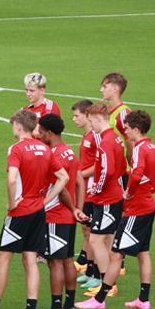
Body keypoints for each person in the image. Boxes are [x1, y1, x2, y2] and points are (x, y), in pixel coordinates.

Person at [0, 109, 68, 309]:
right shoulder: (45, 148)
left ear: (19, 127)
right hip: (38, 211)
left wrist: (12, 203)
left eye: (13, 125)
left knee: (2, 257)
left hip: (20, 212)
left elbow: (12, 180)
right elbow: (63, 177)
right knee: (30, 259)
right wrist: (46, 200)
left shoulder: (16, 149)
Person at [77, 110, 155, 309]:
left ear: (135, 129)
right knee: (143, 253)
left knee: (116, 254)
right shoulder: (154, 147)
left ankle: (99, 299)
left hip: (136, 210)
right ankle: (143, 299)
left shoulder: (139, 148)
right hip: (149, 206)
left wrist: (130, 193)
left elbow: (136, 174)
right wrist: (147, 192)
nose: (125, 131)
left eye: (127, 128)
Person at [78, 103, 128, 299]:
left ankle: (108, 284)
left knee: (96, 239)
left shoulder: (106, 141)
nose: (91, 126)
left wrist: (95, 189)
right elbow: (121, 166)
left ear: (99, 118)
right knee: (103, 240)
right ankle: (105, 282)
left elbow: (105, 171)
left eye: (91, 121)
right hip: (112, 194)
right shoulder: (115, 138)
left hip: (107, 197)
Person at [33, 114, 80, 309]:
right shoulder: (69, 151)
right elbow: (77, 183)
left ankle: (56, 308)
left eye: (41, 131)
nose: (38, 134)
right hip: (67, 217)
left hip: (55, 214)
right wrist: (76, 209)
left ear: (49, 133)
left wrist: (72, 208)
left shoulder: (54, 156)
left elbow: (61, 190)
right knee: (68, 259)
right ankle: (69, 305)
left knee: (54, 262)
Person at [71, 100, 100, 285]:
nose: (74, 119)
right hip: (85, 188)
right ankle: (89, 270)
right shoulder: (86, 136)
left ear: (87, 115)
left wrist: (80, 174)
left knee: (94, 233)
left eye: (76, 115)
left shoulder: (95, 137)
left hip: (93, 189)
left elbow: (100, 164)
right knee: (86, 230)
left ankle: (96, 274)